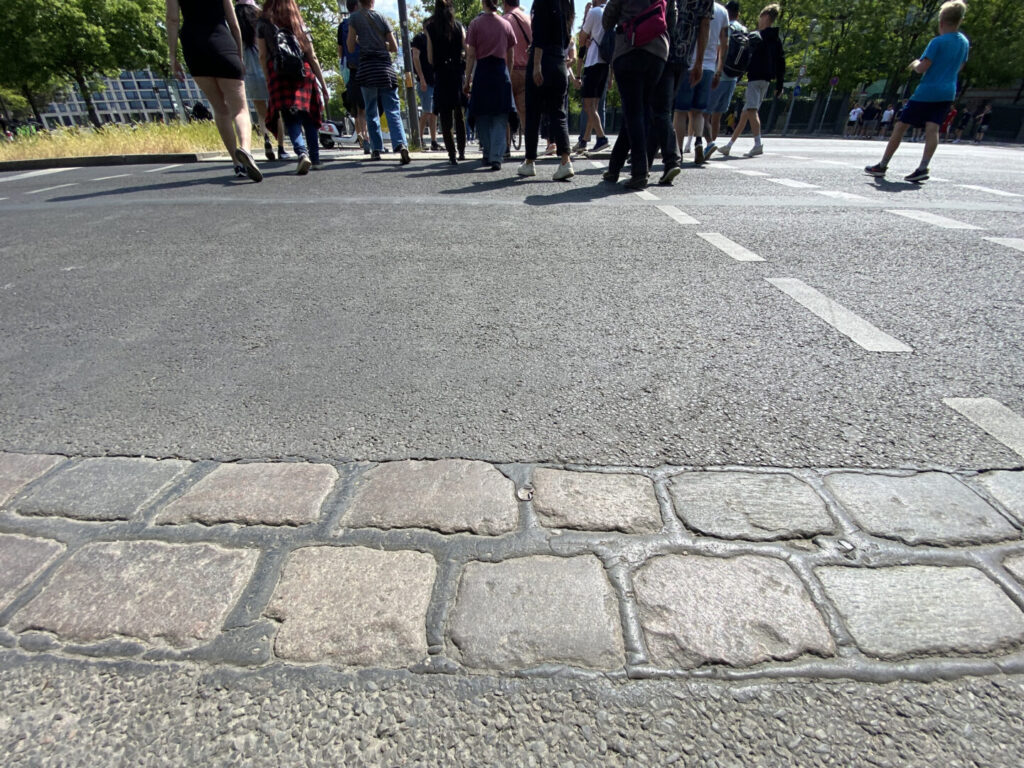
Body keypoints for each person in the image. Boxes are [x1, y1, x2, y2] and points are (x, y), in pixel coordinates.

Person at [865, 0, 969, 183]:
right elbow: (960, 67)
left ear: (941, 21)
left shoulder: (937, 42)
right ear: (959, 20)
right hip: (948, 91)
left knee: (900, 126)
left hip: (927, 91)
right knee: (933, 129)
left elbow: (922, 68)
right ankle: (923, 167)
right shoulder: (963, 42)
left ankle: (882, 165)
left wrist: (914, 63)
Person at [166, 0, 262, 181]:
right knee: (240, 109)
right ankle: (245, 149)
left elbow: (172, 19)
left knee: (219, 109)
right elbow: (233, 23)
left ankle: (237, 163)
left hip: (194, 48)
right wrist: (239, 56)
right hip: (222, 43)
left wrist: (173, 56)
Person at [601, 0, 673, 189]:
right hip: (658, 51)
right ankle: (614, 167)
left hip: (630, 46)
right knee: (638, 110)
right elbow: (672, 16)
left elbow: (607, 19)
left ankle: (640, 171)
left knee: (633, 113)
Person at [258, 0, 329, 174]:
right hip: (303, 71)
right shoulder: (298, 22)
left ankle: (301, 153)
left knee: (291, 118)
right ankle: (316, 158)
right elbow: (312, 56)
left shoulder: (263, 22)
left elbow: (262, 55)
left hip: (279, 73)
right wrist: (323, 85)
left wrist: (269, 80)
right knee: (310, 116)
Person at [516, 0, 576, 180]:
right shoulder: (567, 4)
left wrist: (536, 64)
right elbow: (565, 39)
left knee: (533, 112)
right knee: (559, 113)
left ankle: (529, 161)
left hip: (543, 61)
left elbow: (540, 34)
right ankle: (565, 161)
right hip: (559, 61)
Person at [348, 0, 411, 163]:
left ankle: (376, 148)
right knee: (392, 109)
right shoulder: (383, 18)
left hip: (368, 69)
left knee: (371, 110)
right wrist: (382, 44)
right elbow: (394, 47)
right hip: (385, 69)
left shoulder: (354, 18)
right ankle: (401, 144)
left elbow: (349, 47)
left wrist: (359, 41)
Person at [718, 3, 784, 158]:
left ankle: (758, 143)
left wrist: (738, 75)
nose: (759, 20)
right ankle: (729, 145)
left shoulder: (756, 36)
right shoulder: (776, 39)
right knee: (745, 114)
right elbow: (781, 63)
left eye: (760, 17)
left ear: (765, 17)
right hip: (766, 80)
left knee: (752, 110)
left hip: (755, 78)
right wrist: (780, 85)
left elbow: (745, 58)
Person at [464, 0, 517, 171]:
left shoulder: (475, 24)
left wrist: (467, 79)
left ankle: (487, 152)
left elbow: (471, 54)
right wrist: (507, 74)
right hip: (500, 72)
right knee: (500, 117)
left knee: (482, 115)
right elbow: (511, 55)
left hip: (483, 73)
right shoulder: (506, 24)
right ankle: (496, 157)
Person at [235, 0, 286, 161]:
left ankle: (266, 138)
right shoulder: (260, 18)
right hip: (267, 70)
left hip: (248, 72)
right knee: (277, 112)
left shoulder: (234, 20)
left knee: (261, 112)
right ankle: (281, 147)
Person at [671, 0, 719, 165]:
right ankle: (699, 141)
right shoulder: (719, 10)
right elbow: (720, 40)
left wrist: (696, 62)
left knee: (680, 111)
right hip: (708, 64)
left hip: (685, 60)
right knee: (698, 111)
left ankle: (677, 152)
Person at [426, 0, 468, 164]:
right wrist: (461, 57)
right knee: (459, 115)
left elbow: (430, 58)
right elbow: (466, 48)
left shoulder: (430, 28)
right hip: (457, 73)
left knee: (445, 117)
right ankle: (462, 151)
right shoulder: (459, 27)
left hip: (442, 75)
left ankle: (452, 154)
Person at [703, 0, 744, 159]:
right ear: (738, 14)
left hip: (718, 74)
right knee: (718, 116)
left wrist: (717, 70)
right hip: (732, 77)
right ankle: (711, 143)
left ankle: (708, 145)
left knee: (705, 113)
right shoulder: (743, 29)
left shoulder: (727, 26)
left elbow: (721, 47)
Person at [572, 0, 610, 155]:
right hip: (605, 63)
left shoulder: (594, 12)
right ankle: (584, 140)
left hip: (593, 61)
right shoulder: (610, 12)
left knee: (588, 106)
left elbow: (581, 39)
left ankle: (601, 138)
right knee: (593, 107)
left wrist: (586, 18)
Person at [338, 0, 369, 153]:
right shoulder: (361, 21)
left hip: (350, 69)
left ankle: (361, 135)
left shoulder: (341, 26)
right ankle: (366, 135)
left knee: (356, 108)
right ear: (356, 6)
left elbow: (340, 51)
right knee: (365, 107)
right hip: (365, 66)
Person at [502, 0, 532, 156]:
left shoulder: (504, 20)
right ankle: (529, 148)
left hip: (510, 69)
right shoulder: (528, 19)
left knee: (506, 108)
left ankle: (506, 147)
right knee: (525, 111)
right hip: (527, 70)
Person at [411, 30, 440, 149]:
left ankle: (434, 141)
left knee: (434, 113)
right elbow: (415, 58)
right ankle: (419, 139)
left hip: (435, 81)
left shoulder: (435, 39)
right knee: (426, 111)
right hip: (424, 81)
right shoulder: (419, 39)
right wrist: (421, 78)